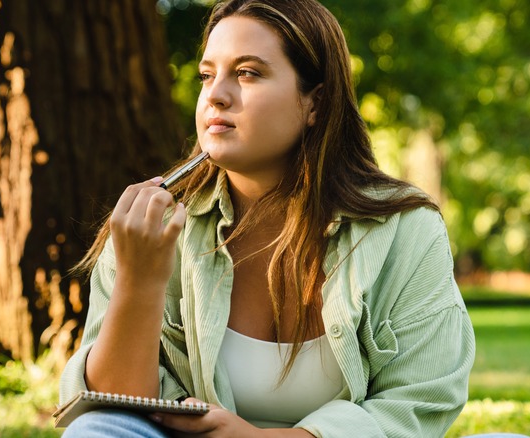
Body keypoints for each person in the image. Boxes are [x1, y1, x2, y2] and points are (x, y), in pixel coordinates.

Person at [59, 0, 475, 436]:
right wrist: (139, 280)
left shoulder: (404, 229)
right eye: (207, 75)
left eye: (247, 73)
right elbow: (113, 407)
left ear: (316, 102)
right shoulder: (151, 231)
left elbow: (422, 397)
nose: (216, 94)